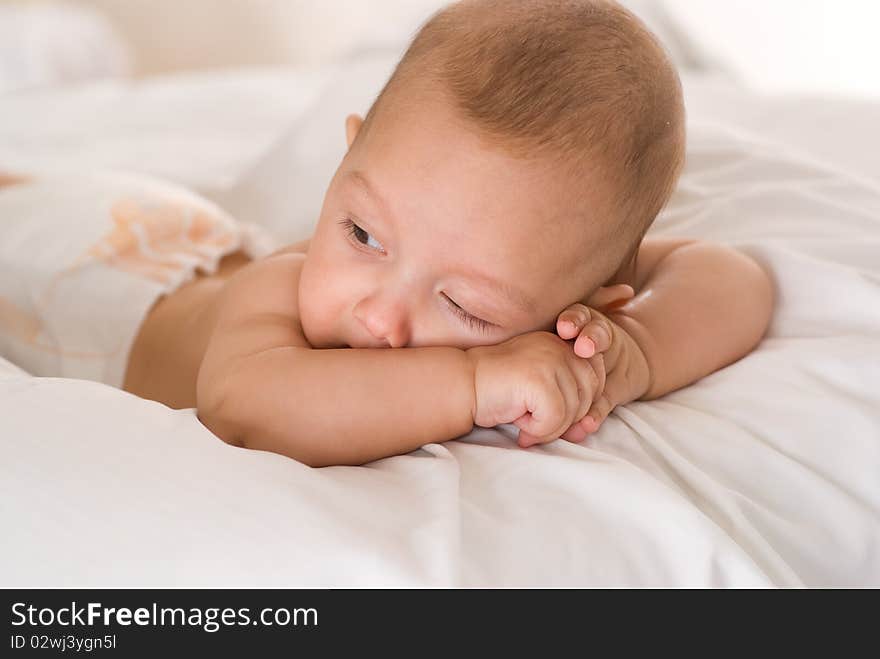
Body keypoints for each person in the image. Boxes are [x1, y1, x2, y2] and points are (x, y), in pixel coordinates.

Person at [0, 0, 773, 467]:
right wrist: (474, 377)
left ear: (586, 298)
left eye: (466, 306)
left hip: (156, 248)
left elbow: (730, 277)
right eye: (363, 234)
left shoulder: (569, 307)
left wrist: (630, 356)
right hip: (87, 281)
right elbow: (246, 406)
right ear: (349, 154)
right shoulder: (277, 299)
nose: (379, 317)